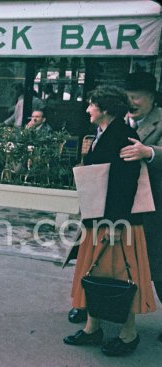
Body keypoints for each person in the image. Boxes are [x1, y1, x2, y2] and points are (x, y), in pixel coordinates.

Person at [63, 85, 156, 357]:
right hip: (101, 219)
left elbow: (125, 186)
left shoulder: (123, 136)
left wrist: (115, 224)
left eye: (92, 104)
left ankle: (129, 335)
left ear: (105, 109)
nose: (87, 109)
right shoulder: (105, 133)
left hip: (116, 222)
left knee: (119, 275)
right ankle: (94, 328)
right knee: (97, 272)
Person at [119, 71, 162, 342]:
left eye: (136, 97)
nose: (131, 102)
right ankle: (93, 307)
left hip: (157, 206)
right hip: (122, 205)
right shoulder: (119, 119)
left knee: (158, 264)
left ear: (152, 98)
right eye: (127, 97)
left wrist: (150, 152)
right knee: (116, 261)